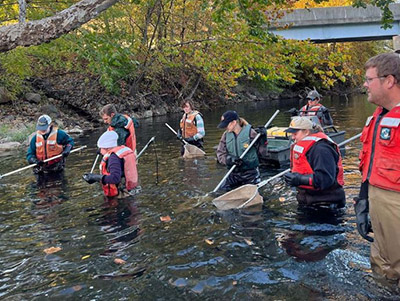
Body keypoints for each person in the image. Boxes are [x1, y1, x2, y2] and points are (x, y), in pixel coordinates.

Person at [356, 52, 400, 284]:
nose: (365, 84)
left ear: (389, 81)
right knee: (382, 265)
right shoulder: (378, 117)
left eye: (369, 79)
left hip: (395, 202)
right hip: (376, 198)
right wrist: (362, 201)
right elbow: (368, 162)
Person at [283, 116, 345, 208]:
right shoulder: (307, 147)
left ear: (306, 132)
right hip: (309, 200)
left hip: (326, 203)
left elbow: (325, 179)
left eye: (295, 133)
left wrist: (299, 179)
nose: (293, 137)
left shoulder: (321, 149)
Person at [216, 110, 265, 192]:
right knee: (220, 192)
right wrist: (229, 160)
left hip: (250, 174)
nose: (225, 127)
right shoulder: (225, 135)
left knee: (252, 195)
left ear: (234, 122)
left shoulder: (251, 133)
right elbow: (220, 153)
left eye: (226, 125)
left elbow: (262, 153)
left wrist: (263, 140)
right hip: (233, 173)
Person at [83, 131, 139, 198]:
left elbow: (115, 178)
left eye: (101, 148)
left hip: (121, 194)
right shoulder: (122, 151)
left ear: (107, 148)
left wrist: (95, 177)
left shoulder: (113, 158)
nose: (99, 150)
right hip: (131, 190)